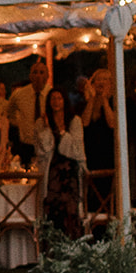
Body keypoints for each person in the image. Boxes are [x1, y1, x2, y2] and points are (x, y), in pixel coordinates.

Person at [33, 88, 86, 236]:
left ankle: (72, 238)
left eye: (59, 98)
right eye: (53, 99)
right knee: (52, 205)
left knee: (70, 206)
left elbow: (76, 148)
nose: (56, 102)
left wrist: (62, 132)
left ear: (64, 101)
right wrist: (49, 127)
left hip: (70, 168)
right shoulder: (41, 122)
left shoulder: (74, 120)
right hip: (51, 169)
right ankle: (52, 240)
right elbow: (42, 148)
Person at [5, 59, 50, 165]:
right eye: (35, 72)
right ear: (30, 75)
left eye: (41, 72)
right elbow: (8, 112)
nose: (38, 76)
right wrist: (19, 123)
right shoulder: (19, 94)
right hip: (26, 143)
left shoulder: (51, 94)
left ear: (47, 76)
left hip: (46, 143)